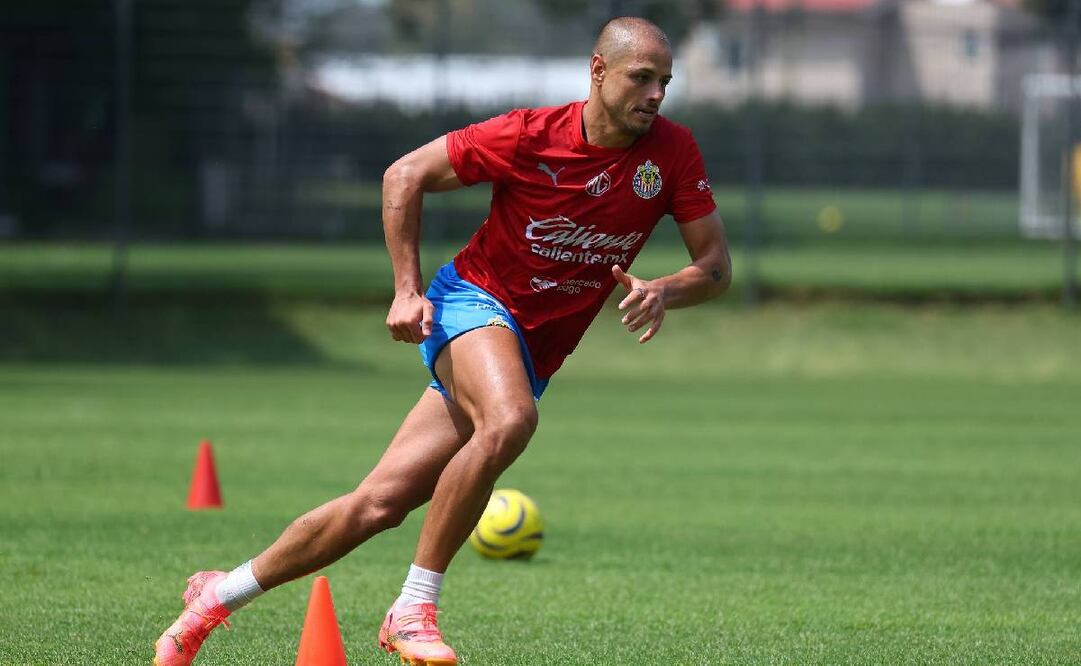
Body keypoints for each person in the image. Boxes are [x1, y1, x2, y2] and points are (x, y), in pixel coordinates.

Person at [154, 15, 731, 666]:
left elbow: (714, 266)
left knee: (376, 506)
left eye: (664, 82)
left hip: (529, 353)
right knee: (510, 420)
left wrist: (665, 290)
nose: (655, 94)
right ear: (598, 71)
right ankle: (412, 609)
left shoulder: (672, 153)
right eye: (641, 78)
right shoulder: (528, 135)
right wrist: (406, 290)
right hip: (472, 302)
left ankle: (215, 597)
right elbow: (403, 175)